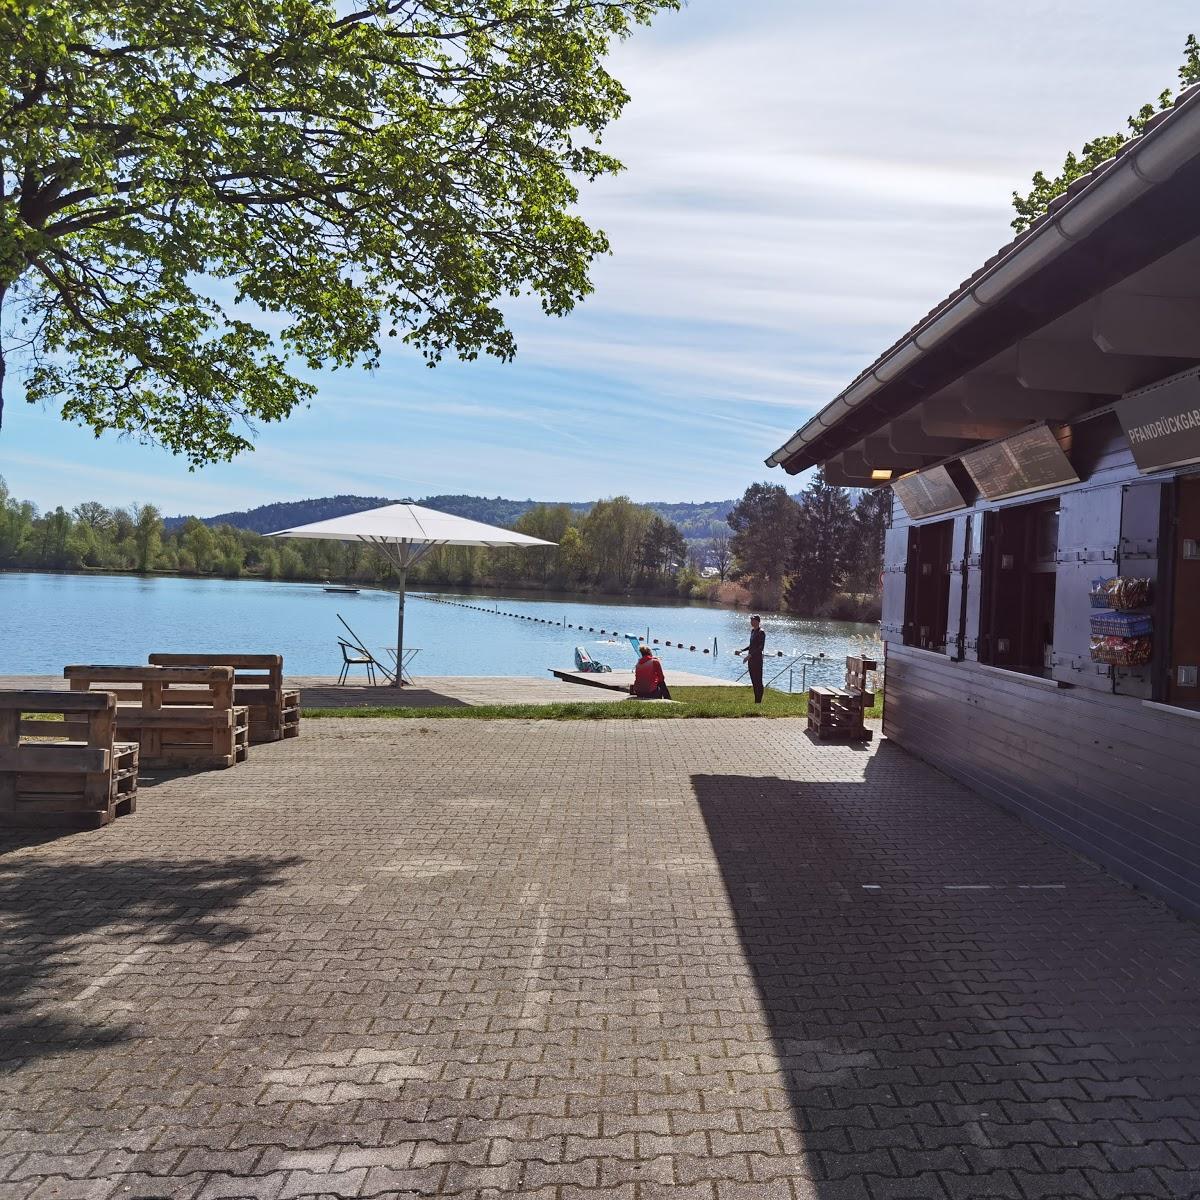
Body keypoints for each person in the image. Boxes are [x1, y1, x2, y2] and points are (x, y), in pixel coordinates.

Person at [736, 615, 766, 704]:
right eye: (750, 620)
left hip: (757, 660)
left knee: (758, 681)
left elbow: (760, 647)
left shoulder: (761, 632)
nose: (751, 622)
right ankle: (756, 701)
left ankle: (758, 702)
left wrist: (750, 655)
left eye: (752, 620)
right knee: (753, 681)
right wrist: (742, 650)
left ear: (757, 621)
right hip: (751, 660)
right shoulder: (752, 631)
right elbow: (751, 646)